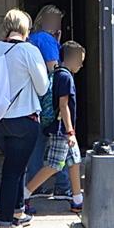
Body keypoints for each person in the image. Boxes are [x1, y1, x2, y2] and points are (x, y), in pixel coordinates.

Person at [0, 9, 50, 228]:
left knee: (15, 167)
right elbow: (42, 88)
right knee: (12, 171)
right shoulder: (29, 51)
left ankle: (18, 212)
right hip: (24, 119)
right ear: (26, 29)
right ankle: (5, 227)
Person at [21, 41, 87, 210]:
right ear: (72, 59)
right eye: (80, 60)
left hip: (61, 127)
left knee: (74, 161)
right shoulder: (65, 77)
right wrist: (70, 131)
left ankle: (77, 199)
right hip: (62, 129)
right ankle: (24, 194)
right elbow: (63, 105)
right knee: (54, 164)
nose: (81, 65)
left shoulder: (57, 73)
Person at [25, 5, 71, 199]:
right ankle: (63, 185)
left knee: (38, 143)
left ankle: (34, 184)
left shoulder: (33, 38)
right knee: (60, 143)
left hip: (33, 99)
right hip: (50, 100)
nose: (58, 24)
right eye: (56, 20)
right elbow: (54, 68)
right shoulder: (46, 39)